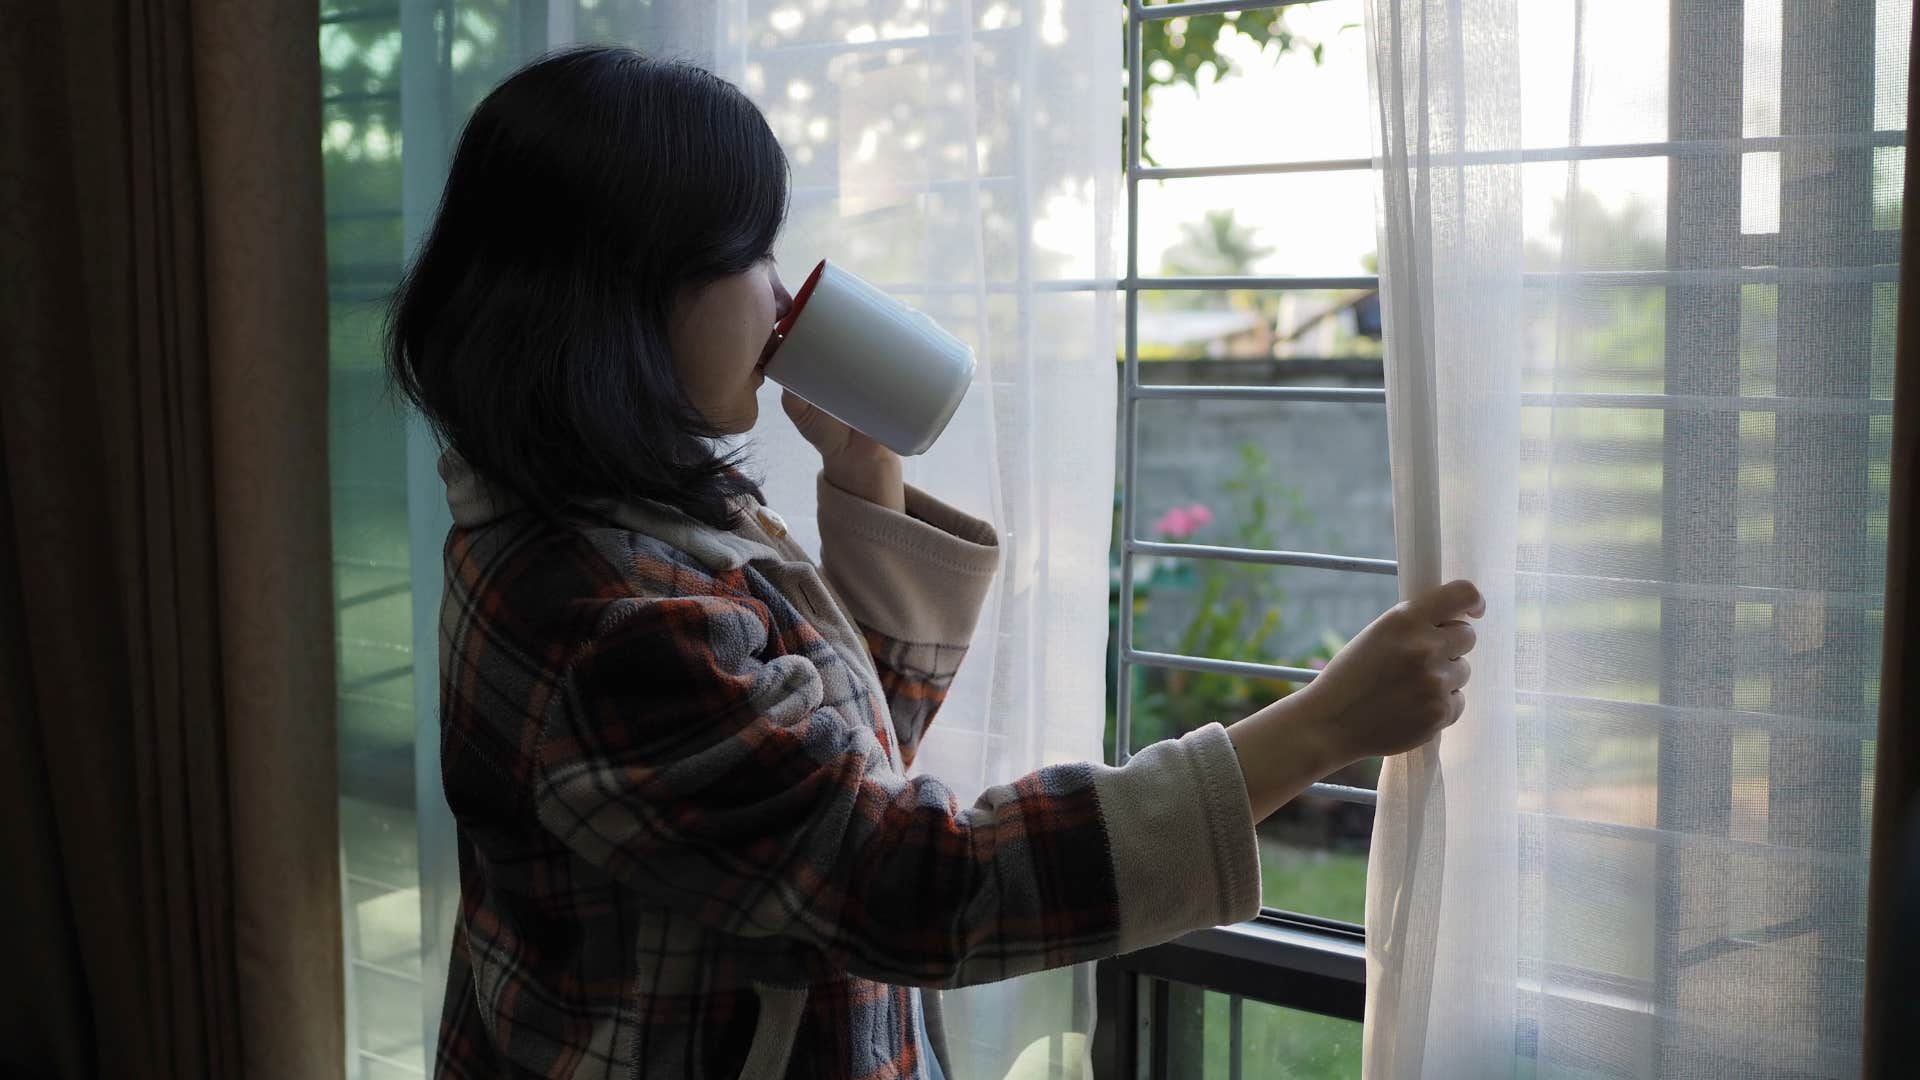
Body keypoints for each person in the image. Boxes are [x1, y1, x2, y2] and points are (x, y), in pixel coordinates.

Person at [388, 45, 1483, 1080]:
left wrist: (864, 479)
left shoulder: (589, 529)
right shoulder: (609, 616)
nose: (779, 298)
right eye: (747, 256)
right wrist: (1319, 728)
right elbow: (914, 885)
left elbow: (814, 787)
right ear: (624, 296)